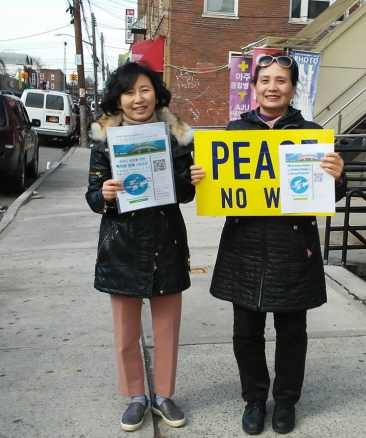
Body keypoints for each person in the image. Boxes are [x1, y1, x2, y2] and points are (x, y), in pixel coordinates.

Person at [190, 53, 347, 435]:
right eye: (265, 80)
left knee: (292, 331)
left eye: (281, 80)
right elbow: (217, 186)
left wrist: (338, 178)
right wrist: (200, 176)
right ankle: (255, 399)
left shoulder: (311, 134)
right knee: (246, 331)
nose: (272, 87)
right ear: (254, 87)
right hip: (243, 246)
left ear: (293, 88)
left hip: (293, 247)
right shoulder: (234, 132)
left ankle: (287, 401)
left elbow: (329, 194)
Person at [85, 62, 195, 432]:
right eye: (129, 92)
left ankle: (163, 395)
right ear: (119, 99)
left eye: (145, 90)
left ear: (156, 94)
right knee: (125, 332)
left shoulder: (176, 136)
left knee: (167, 330)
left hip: (166, 242)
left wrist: (191, 178)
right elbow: (92, 196)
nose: (138, 99)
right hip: (123, 247)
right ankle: (136, 396)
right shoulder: (104, 139)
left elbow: (185, 193)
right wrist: (105, 193)